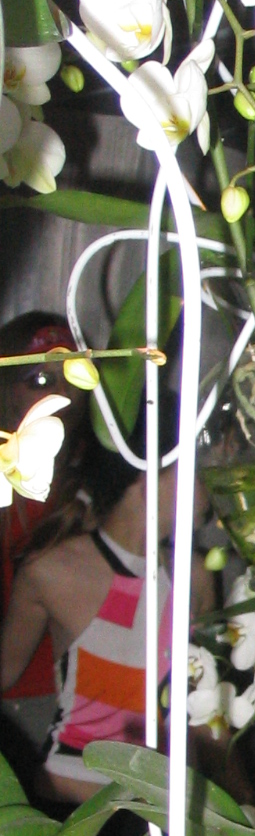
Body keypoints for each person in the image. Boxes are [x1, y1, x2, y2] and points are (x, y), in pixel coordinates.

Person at [0, 401, 215, 836]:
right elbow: (4, 673)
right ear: (149, 480)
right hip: (74, 814)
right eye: (194, 471)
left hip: (167, 810)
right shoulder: (53, 569)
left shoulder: (194, 576)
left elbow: (193, 703)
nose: (208, 489)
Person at [0, 312, 91, 756]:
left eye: (70, 377)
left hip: (70, 700)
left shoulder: (98, 469)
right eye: (39, 380)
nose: (61, 393)